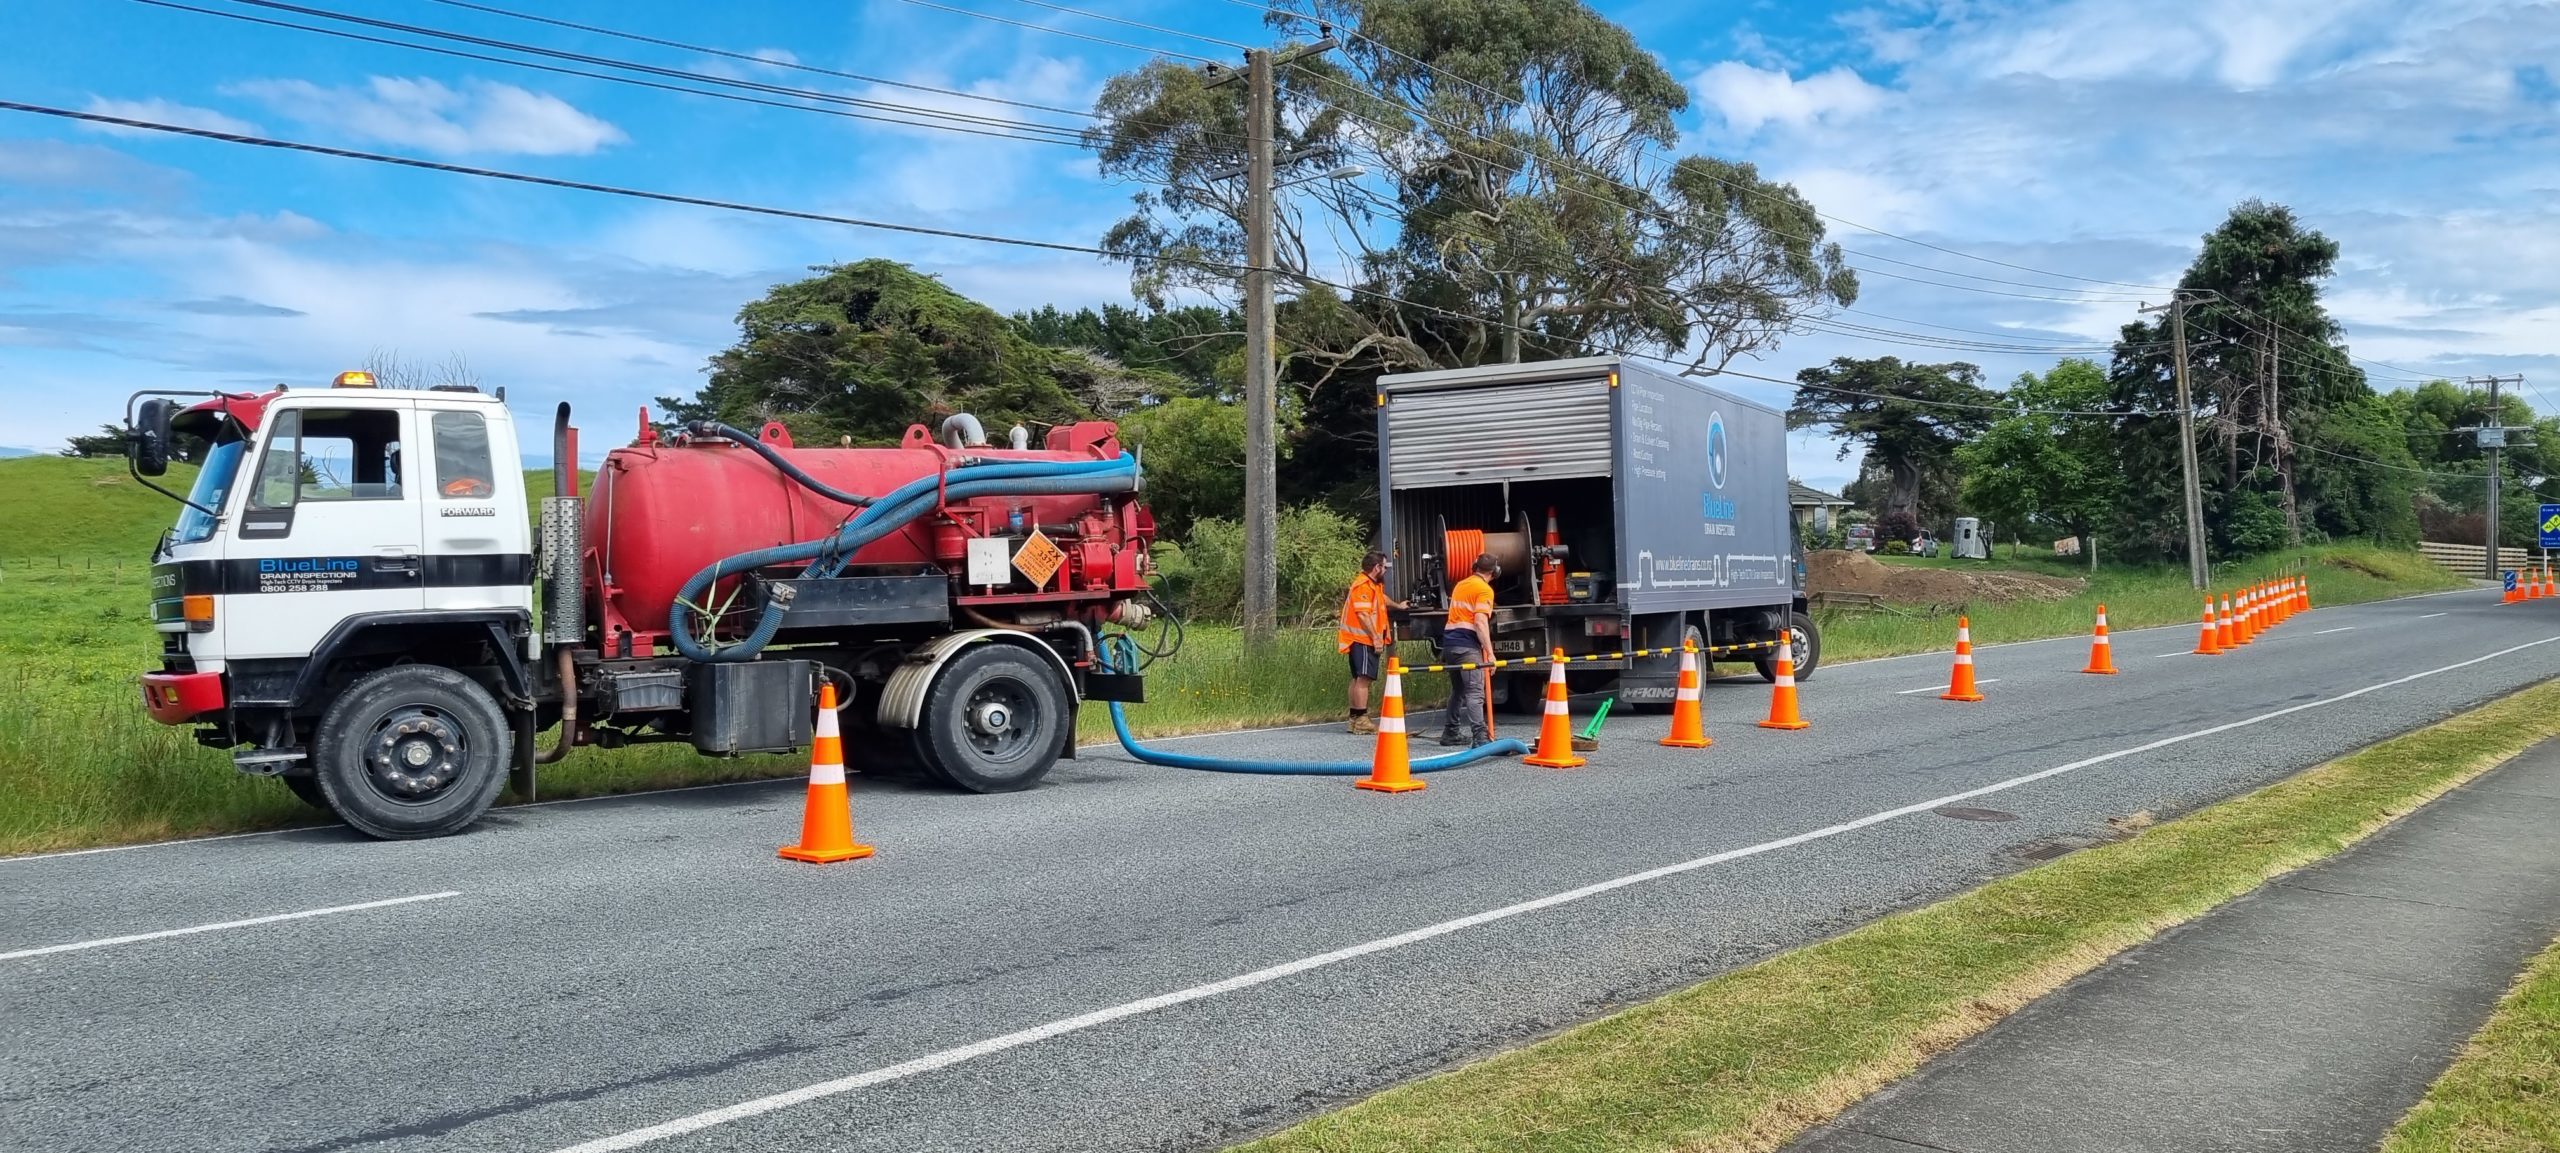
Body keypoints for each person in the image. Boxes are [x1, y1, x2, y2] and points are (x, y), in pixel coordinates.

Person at [1337, 551, 1408, 734]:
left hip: (1359, 639)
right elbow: (1363, 614)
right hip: (1362, 639)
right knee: (1364, 679)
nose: (1385, 570)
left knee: (1358, 679)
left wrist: (1398, 605)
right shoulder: (1363, 586)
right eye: (1384, 566)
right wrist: (1376, 637)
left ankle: (1354, 718)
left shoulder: (1371, 585)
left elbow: (1380, 599)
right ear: (1377, 568)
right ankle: (1361, 720)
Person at [1438, 552, 1500, 747]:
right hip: (1467, 646)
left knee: (1459, 690)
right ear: (1495, 571)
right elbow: (1480, 622)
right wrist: (1490, 653)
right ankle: (1480, 737)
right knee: (1474, 691)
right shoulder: (1484, 590)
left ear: (1475, 567)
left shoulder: (1461, 585)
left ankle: (1451, 732)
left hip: (1450, 644)